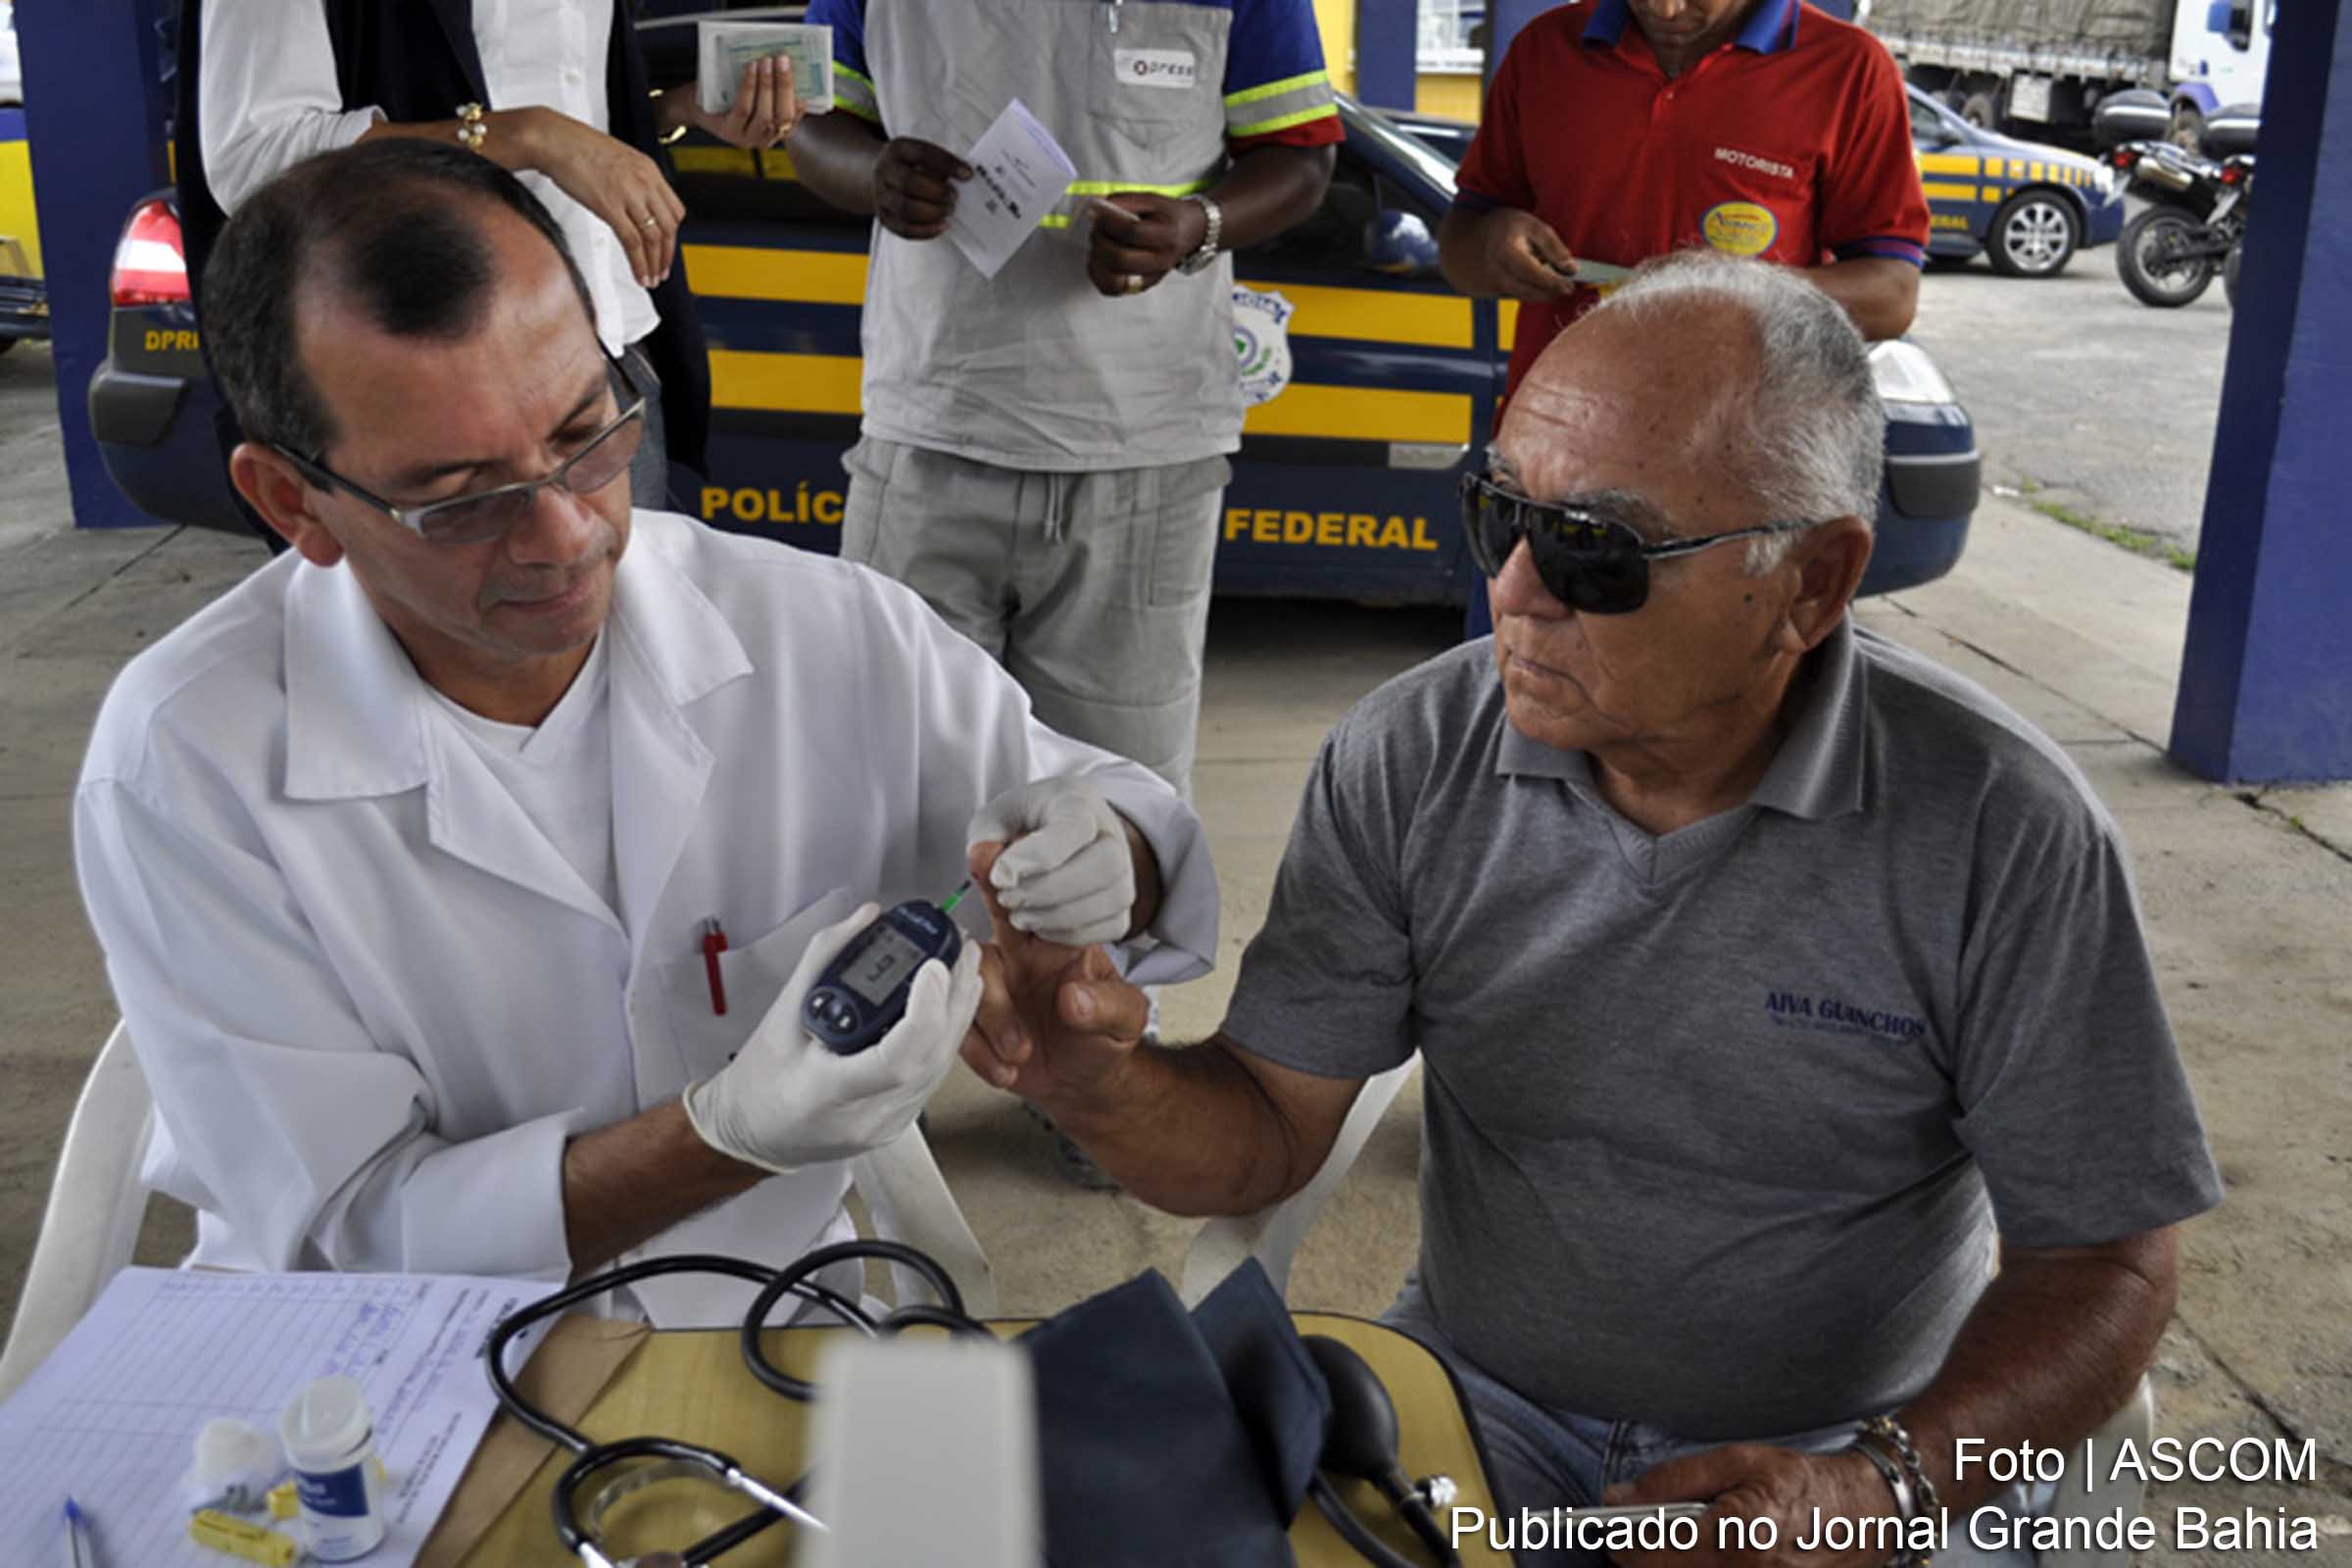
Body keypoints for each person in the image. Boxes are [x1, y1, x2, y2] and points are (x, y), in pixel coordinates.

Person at [960, 254, 2223, 1566]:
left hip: (1864, 1444)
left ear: (1812, 583)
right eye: (1501, 516)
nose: (1513, 591)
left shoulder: (1999, 826)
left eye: (1597, 552)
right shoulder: (1410, 755)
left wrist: (1875, 1488)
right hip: (1479, 1408)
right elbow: (1271, 1127)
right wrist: (1093, 1082)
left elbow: (2108, 1264)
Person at [72, 139, 1218, 1328]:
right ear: (292, 502)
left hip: (761, 1330)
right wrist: (725, 1135)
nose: (566, 533)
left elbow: (1107, 811)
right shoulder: (187, 758)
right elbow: (352, 1232)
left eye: (587, 433)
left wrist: (1104, 853)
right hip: (377, 1373)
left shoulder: (822, 631)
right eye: (463, 497)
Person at [782, 0, 1341, 801]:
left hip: (1144, 455)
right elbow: (811, 123)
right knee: (895, 801)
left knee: (1116, 817)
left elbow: (1301, 159)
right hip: (930, 436)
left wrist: (1198, 225)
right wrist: (872, 176)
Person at [181, 0, 802, 510]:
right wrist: (531, 135)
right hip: (428, 378)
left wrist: (673, 108)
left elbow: (574, 103)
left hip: (609, 358)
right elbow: (256, 156)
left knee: (625, 647)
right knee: (449, 653)